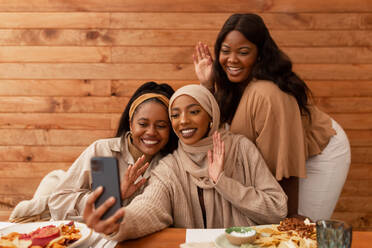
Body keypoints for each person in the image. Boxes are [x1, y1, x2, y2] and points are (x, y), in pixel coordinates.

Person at [193, 13, 351, 221]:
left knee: (301, 230)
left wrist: (289, 214)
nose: (232, 59)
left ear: (259, 54)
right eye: (225, 51)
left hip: (320, 152)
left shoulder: (267, 94)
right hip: (283, 151)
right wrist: (207, 84)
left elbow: (285, 156)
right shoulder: (232, 84)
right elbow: (215, 126)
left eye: (243, 52)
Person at [83, 84, 287, 241]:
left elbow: (277, 210)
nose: (183, 121)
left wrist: (224, 183)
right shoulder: (170, 167)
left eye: (194, 111)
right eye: (175, 115)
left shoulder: (241, 149)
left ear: (210, 115)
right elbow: (149, 207)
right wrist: (118, 222)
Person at [18, 81, 177, 222]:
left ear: (170, 129)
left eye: (161, 126)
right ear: (130, 124)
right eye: (143, 124)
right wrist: (114, 196)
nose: (151, 132)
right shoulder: (104, 152)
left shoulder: (170, 163)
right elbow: (58, 202)